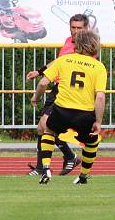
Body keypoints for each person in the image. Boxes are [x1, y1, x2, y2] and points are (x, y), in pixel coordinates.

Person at [29, 28, 107, 185]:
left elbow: (43, 82)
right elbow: (100, 96)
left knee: (49, 131)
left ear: (77, 44)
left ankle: (45, 169)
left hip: (61, 110)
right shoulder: (99, 67)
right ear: (94, 45)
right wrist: (98, 121)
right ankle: (83, 176)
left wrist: (35, 97)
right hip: (84, 114)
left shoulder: (64, 60)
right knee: (91, 141)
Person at [25, 13, 90, 176]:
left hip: (70, 92)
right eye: (73, 28)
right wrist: (40, 71)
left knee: (47, 126)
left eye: (79, 28)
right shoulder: (69, 41)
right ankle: (69, 157)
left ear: (86, 28)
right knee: (42, 128)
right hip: (58, 88)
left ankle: (46, 166)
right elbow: (58, 61)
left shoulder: (86, 48)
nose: (75, 31)